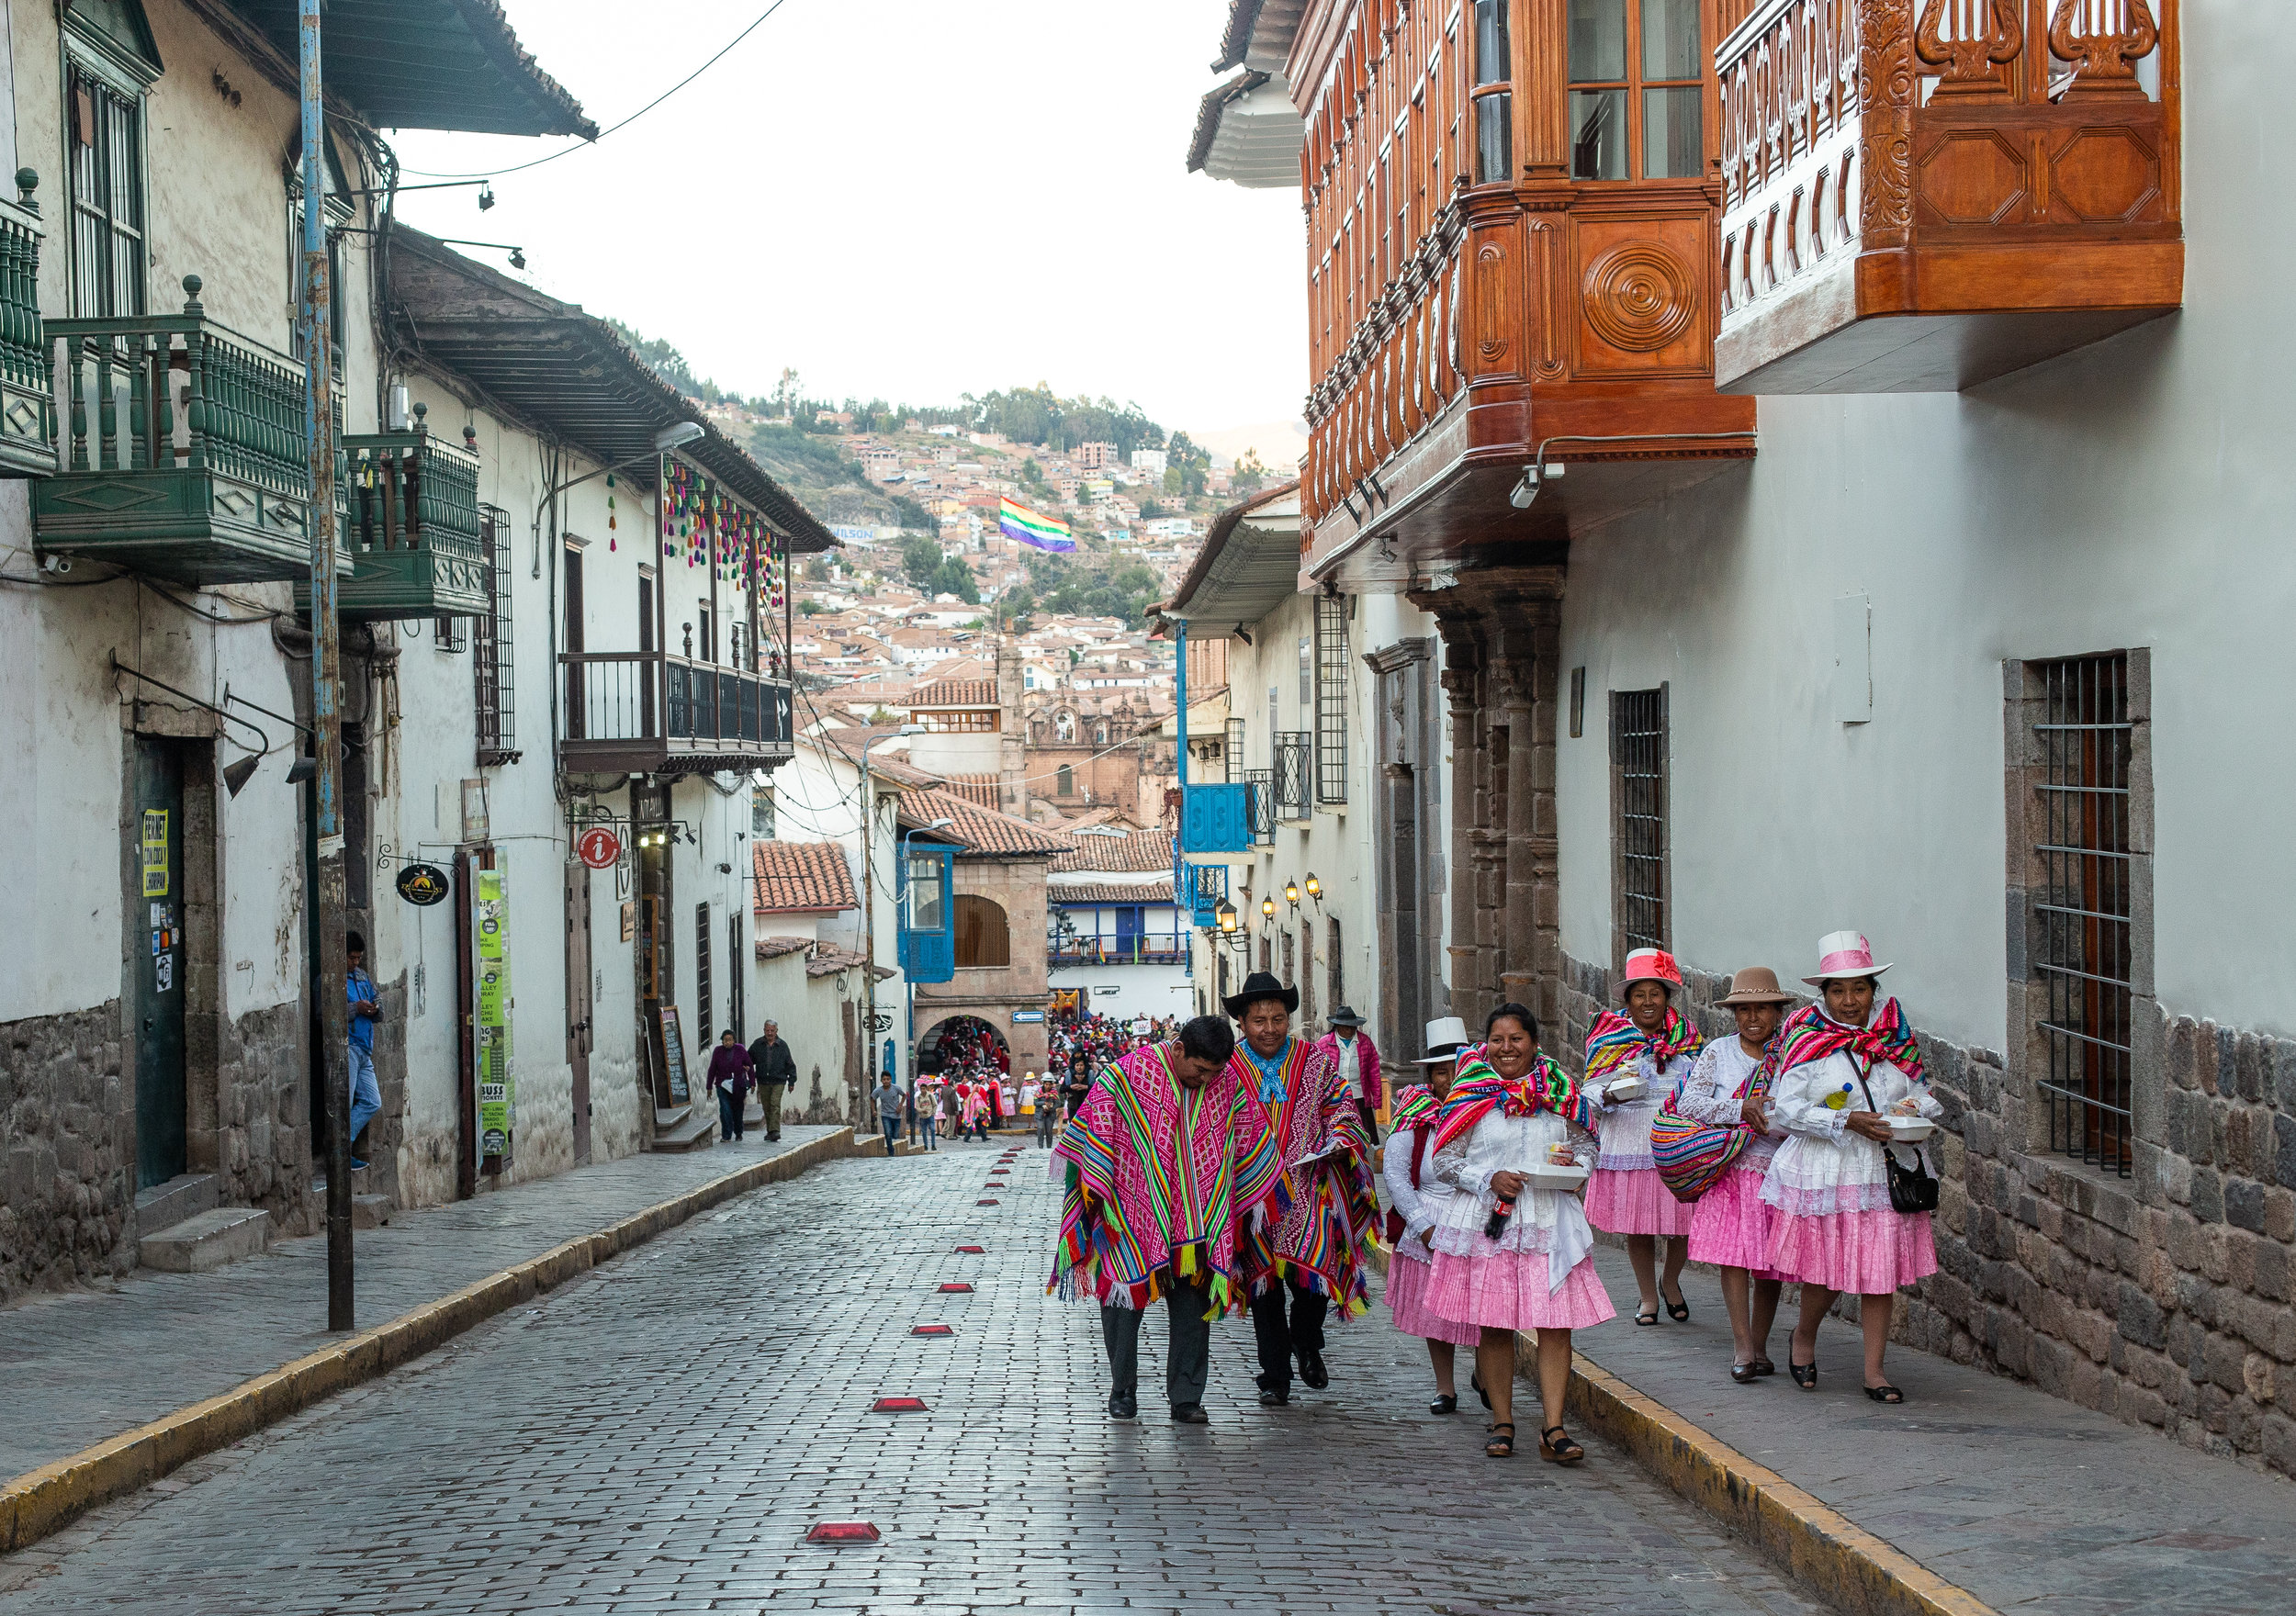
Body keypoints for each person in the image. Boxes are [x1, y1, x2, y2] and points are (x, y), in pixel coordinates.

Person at [1050, 1016, 1285, 1423]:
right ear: (1179, 1050)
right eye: (1200, 1070)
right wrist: (1101, 1192)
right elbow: (1091, 1134)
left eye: (1214, 1072)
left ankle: (1187, 1396)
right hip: (1132, 1213)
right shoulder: (1125, 1076)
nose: (1206, 1080)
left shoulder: (1227, 1083)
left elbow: (1249, 1135)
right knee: (1123, 1300)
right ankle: (1122, 1389)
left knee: (1195, 1305)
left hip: (1200, 1216)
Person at [1426, 1002, 1612, 1462]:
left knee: (1555, 1326)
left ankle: (1554, 1428)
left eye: (1516, 1039)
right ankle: (1502, 1422)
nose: (1507, 1048)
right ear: (1485, 1044)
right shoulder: (1469, 1094)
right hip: (1491, 1222)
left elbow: (1590, 1146)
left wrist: (1575, 1165)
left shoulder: (1560, 1090)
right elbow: (1445, 1161)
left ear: (1534, 1043)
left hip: (1549, 1219)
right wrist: (1487, 1179)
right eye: (1498, 1040)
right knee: (1494, 1325)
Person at [1763, 933, 1941, 1404]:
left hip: (1883, 1171)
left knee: (1879, 1271)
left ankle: (1875, 1371)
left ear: (1872, 992)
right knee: (1824, 1271)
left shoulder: (1893, 1038)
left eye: (1859, 989)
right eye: (1838, 991)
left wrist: (1914, 1111)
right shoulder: (1809, 1042)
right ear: (1823, 995)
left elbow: (1920, 1092)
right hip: (1829, 1170)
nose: (1849, 1001)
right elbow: (1785, 1109)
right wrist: (1846, 1120)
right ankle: (1803, 1336)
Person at [1225, 971, 1379, 1408]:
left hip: (1311, 1191)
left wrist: (1339, 1138)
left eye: (1277, 1018)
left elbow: (1342, 1110)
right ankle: (1275, 1377)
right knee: (1264, 1290)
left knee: (1311, 1283)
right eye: (1259, 1020)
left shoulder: (1314, 1062)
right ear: (1242, 1023)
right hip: (1252, 1200)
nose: (1270, 1028)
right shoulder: (1228, 1069)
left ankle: (1307, 1342)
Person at [1677, 968, 1795, 1382]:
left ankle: (1761, 1346)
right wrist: (1739, 1109)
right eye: (1744, 1009)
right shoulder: (1718, 1053)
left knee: (1770, 1265)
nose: (1752, 1017)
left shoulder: (1791, 1055)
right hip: (1732, 1170)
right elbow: (1690, 1104)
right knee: (1734, 1260)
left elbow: (1800, 1108)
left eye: (1762, 1007)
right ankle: (1742, 1347)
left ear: (1777, 1011)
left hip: (1776, 1170)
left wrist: (1774, 1117)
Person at [1583, 948, 1705, 1326]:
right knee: (1639, 1226)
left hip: (1676, 1139)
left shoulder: (1689, 1038)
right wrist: (1607, 1093)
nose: (1648, 1002)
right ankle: (1648, 1295)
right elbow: (1588, 1092)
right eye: (1640, 994)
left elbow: (1705, 1085)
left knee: (1681, 1222)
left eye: (1656, 993)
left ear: (1667, 997)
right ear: (1628, 1000)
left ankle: (1670, 1281)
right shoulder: (1609, 1037)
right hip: (1629, 1139)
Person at [1381, 1016, 1478, 1412]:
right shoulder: (1417, 1115)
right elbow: (1396, 1175)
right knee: (1437, 1310)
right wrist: (1421, 1226)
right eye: (1442, 1072)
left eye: (1458, 1070)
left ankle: (1488, 1371)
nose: (1450, 1079)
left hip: (1476, 1217)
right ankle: (1446, 1387)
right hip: (1431, 1216)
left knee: (1480, 1303)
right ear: (1431, 1076)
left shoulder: (1486, 1110)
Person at [344, 931, 383, 1171]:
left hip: (364, 1049)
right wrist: (355, 1008)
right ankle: (340, 1153)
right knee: (345, 1102)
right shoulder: (329, 979)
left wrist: (374, 1008)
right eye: (351, 958)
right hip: (348, 1047)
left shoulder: (362, 977)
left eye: (358, 958)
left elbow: (378, 1000)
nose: (356, 963)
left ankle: (342, 1143)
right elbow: (323, 1014)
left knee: (372, 1100)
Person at [1316, 1005, 1384, 1139]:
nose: (1350, 1030)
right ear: (1338, 1027)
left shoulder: (1365, 1042)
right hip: (1334, 1096)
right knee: (1336, 1131)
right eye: (1346, 1027)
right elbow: (1317, 1072)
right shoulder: (1323, 1044)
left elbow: (1374, 1072)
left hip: (1358, 1096)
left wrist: (1377, 1100)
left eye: (1353, 1026)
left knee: (1364, 1133)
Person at [747, 1021, 797, 1141]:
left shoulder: (782, 1046)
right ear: (764, 1030)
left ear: (776, 1031)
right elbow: (749, 1059)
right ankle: (770, 1131)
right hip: (763, 1080)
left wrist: (791, 1081)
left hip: (779, 1080)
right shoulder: (758, 1044)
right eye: (767, 1030)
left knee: (774, 1103)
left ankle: (775, 1131)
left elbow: (790, 1064)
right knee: (767, 1106)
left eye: (772, 1031)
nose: (770, 1033)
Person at [706, 1029, 756, 1143]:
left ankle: (738, 1132)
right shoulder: (718, 1051)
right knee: (725, 1109)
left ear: (734, 1040)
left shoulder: (740, 1050)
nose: (727, 1043)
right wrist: (709, 1086)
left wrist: (752, 1082)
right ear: (722, 1041)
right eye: (725, 1040)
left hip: (738, 1085)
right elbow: (712, 1069)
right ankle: (726, 1135)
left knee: (738, 1110)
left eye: (729, 1040)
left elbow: (749, 1066)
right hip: (722, 1085)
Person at [873, 1073, 903, 1156]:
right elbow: (872, 1098)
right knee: (888, 1133)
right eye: (884, 1079)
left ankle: (892, 1145)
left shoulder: (896, 1088)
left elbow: (904, 1095)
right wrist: (873, 1110)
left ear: (891, 1080)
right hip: (885, 1114)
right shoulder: (878, 1090)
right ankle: (891, 1151)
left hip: (896, 1115)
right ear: (881, 1080)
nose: (886, 1081)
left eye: (888, 1079)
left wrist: (900, 1105)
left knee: (895, 1135)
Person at [1035, 1072, 1061, 1147]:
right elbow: (1036, 1102)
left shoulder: (1054, 1092)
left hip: (1050, 1114)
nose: (1048, 1086)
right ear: (1043, 1083)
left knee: (1049, 1131)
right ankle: (1040, 1146)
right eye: (1046, 1084)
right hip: (1040, 1114)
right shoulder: (1038, 1092)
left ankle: (1049, 1146)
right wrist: (1044, 1103)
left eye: (1050, 1084)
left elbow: (1058, 1103)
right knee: (1040, 1129)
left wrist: (1051, 1107)